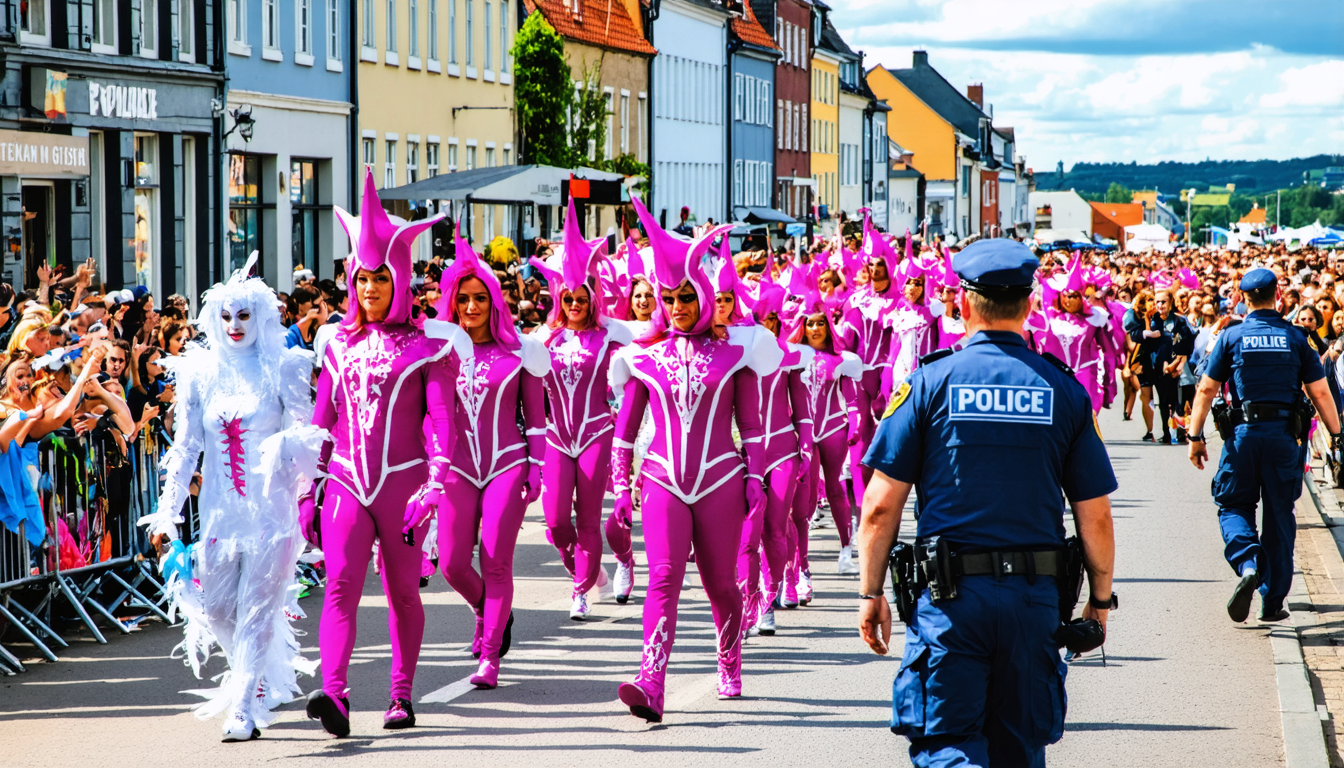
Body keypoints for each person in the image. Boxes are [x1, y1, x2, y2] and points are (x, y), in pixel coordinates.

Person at [856, 238, 1117, 767]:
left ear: (961, 301)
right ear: (1030, 303)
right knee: (1020, 748)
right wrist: (1101, 599)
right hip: (1033, 600)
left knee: (949, 747)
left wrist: (870, 592)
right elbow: (1096, 514)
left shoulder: (927, 382)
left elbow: (881, 505)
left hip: (950, 603)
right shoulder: (1064, 391)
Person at [304, 173, 466, 737]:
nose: (370, 288)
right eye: (362, 278)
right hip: (348, 483)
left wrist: (436, 485)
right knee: (341, 587)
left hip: (404, 485)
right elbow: (322, 422)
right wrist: (309, 486)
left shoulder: (430, 345)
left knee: (401, 593)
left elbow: (442, 423)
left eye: (381, 278)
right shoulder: (335, 342)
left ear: (398, 280)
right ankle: (335, 695)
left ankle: (401, 695)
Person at [609, 198, 778, 722]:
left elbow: (751, 426)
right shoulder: (642, 356)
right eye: (669, 298)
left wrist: (756, 478)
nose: (677, 306)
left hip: (722, 480)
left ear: (702, 296)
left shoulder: (736, 355)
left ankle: (729, 658)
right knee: (662, 577)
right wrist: (621, 485)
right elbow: (626, 430)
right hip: (661, 478)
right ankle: (651, 680)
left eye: (686, 296)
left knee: (720, 582)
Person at [138, 253, 319, 742]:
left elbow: (308, 436)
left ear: (261, 316)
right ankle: (255, 678)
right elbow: (186, 446)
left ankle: (243, 706)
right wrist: (166, 514)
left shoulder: (284, 368)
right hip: (219, 515)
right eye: (226, 316)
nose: (235, 326)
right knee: (217, 607)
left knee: (259, 607)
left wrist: (295, 466)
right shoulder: (200, 373)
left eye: (244, 315)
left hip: (271, 514)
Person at [430, 224, 549, 690]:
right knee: (454, 564)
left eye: (480, 297)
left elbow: (535, 419)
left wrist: (536, 466)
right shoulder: (439, 352)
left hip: (506, 465)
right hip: (457, 467)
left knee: (497, 560)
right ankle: (486, 609)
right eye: (464, 299)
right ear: (453, 303)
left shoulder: (522, 352)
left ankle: (491, 655)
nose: (472, 307)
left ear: (495, 300)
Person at [1187, 267, 1342, 623]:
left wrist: (1195, 437)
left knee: (1233, 505)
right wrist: (1337, 433)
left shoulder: (1231, 337)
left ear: (1241, 299)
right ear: (1280, 297)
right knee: (1279, 517)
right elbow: (1318, 391)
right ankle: (1272, 601)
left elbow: (1207, 389)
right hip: (1284, 439)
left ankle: (1248, 564)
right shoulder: (1296, 337)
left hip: (1242, 438)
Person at [530, 203, 630, 619]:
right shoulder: (543, 337)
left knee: (588, 517)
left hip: (594, 432)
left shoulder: (612, 334)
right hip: (556, 435)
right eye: (567, 298)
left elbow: (639, 370)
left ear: (592, 296)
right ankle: (592, 575)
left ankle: (580, 590)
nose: (573, 304)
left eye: (580, 297)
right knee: (555, 523)